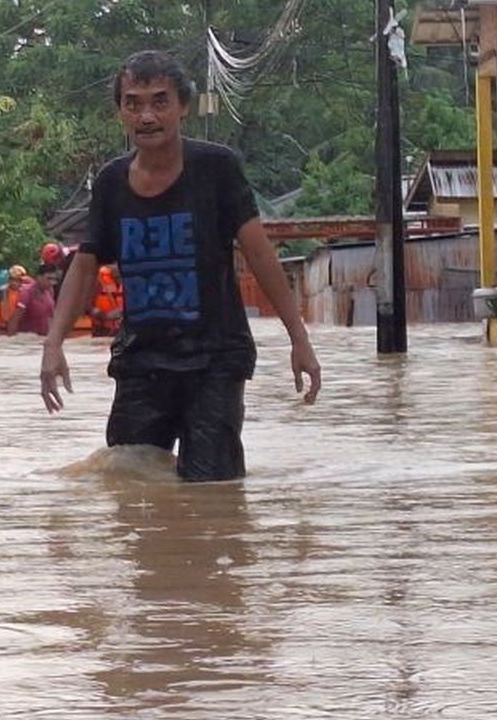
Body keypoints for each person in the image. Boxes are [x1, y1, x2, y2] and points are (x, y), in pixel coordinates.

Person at [38, 49, 322, 482]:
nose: (146, 116)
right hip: (142, 360)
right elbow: (85, 265)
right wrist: (53, 344)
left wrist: (298, 338)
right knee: (128, 482)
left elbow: (260, 254)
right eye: (133, 103)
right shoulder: (113, 183)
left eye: (159, 101)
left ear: (182, 107)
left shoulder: (216, 168)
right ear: (120, 112)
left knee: (212, 491)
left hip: (215, 360)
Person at [6, 263, 58, 336]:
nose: (52, 282)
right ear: (39, 277)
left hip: (43, 338)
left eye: (54, 279)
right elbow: (14, 320)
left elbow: (51, 317)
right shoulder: (26, 293)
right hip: (28, 339)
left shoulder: (50, 292)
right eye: (48, 278)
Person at [89, 264, 124, 337]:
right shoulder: (98, 278)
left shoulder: (133, 277)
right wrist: (104, 315)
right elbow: (86, 306)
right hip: (102, 330)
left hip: (126, 330)